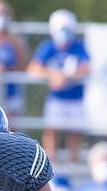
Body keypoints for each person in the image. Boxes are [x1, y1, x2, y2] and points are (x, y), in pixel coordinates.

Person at [27, 9, 90, 164]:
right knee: (51, 131)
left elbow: (86, 67)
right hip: (56, 98)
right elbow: (34, 67)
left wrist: (67, 76)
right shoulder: (49, 47)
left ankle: (73, 165)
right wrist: (53, 74)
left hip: (75, 98)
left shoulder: (78, 46)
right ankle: (49, 164)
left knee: (74, 133)